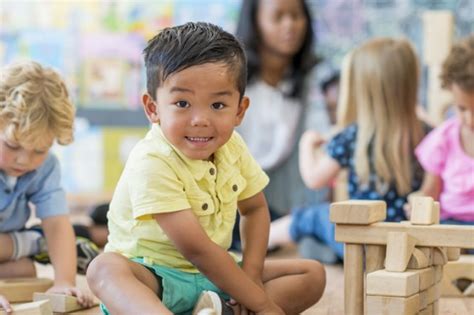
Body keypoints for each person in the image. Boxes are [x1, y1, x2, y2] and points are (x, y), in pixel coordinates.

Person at [86, 22, 325, 315]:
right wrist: (260, 304)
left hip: (215, 278)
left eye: (218, 105)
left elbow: (255, 210)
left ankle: (221, 310)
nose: (200, 119)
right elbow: (196, 249)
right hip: (156, 280)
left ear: (240, 110)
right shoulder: (152, 160)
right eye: (182, 103)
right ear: (153, 108)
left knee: (311, 273)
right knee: (104, 269)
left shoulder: (232, 146)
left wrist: (250, 277)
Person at [268, 37, 428, 261]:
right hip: (410, 245)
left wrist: (306, 144)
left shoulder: (352, 137)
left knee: (311, 216)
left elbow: (314, 179)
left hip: (359, 245)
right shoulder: (428, 134)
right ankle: (320, 248)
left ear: (360, 89)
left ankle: (257, 242)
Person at [0, 61, 96, 312]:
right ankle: (33, 243)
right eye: (12, 145)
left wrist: (64, 281)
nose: (24, 160)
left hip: (9, 248)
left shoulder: (46, 167)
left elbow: (56, 223)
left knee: (26, 270)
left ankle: (34, 243)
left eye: (39, 150)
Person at [235, 0, 325, 221]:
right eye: (278, 17)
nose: (290, 25)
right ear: (255, 22)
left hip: (292, 204)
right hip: (234, 201)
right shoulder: (231, 78)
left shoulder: (316, 78)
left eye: (296, 16)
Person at [412, 35, 474, 224]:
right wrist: (417, 205)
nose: (470, 121)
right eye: (462, 109)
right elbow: (430, 192)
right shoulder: (443, 138)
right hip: (449, 226)